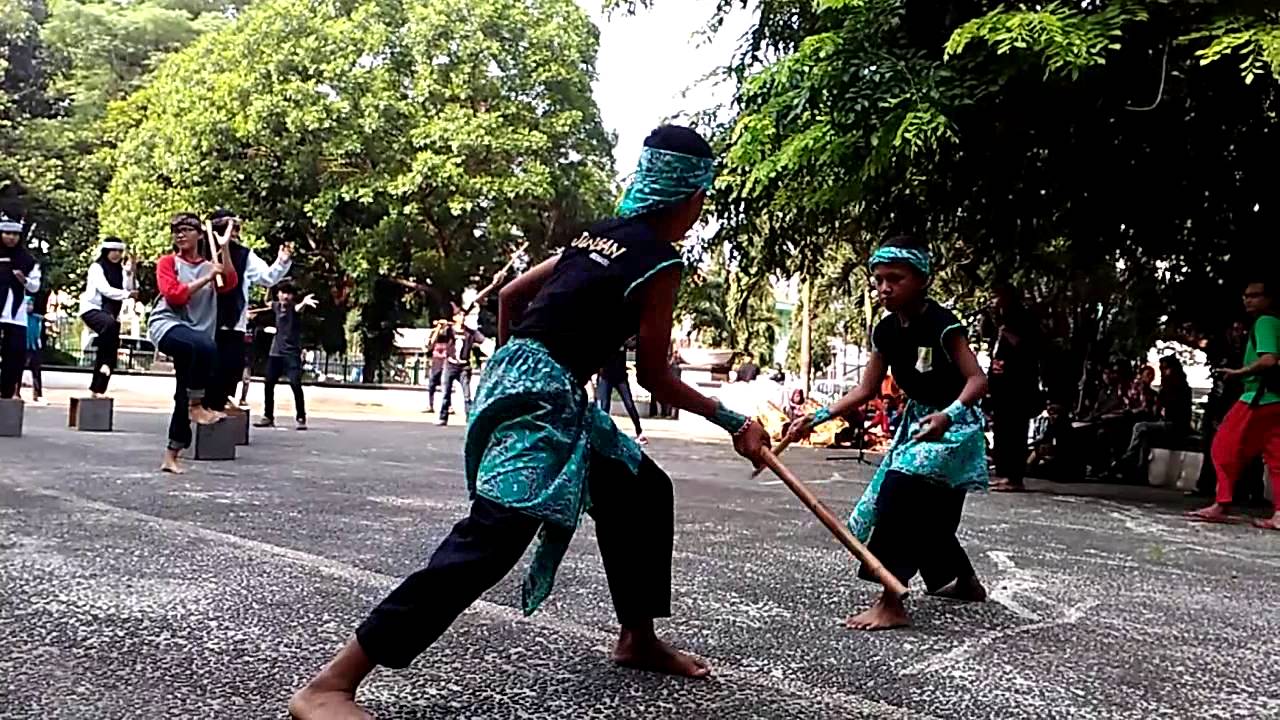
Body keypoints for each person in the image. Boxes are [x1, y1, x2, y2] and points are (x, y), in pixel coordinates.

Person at [288, 125, 771, 720]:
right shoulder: (660, 263)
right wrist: (732, 420)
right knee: (492, 539)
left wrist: (518, 364)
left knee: (641, 490)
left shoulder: (595, 236)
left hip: (527, 379)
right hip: (542, 396)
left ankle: (636, 637)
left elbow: (511, 297)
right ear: (691, 198)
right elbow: (653, 376)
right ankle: (331, 685)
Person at [784, 234, 989, 631]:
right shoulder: (886, 331)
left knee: (899, 490)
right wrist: (817, 417)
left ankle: (890, 600)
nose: (884, 288)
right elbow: (866, 389)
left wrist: (948, 415)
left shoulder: (945, 325)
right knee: (932, 514)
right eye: (878, 279)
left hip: (954, 426)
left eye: (895, 278)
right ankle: (964, 582)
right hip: (918, 425)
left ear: (922, 279)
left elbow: (977, 380)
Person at [148, 213, 239, 473]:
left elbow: (229, 283)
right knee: (204, 346)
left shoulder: (211, 265)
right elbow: (174, 296)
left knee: (181, 394)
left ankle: (171, 455)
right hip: (168, 326)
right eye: (176, 230)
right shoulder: (168, 262)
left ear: (200, 235)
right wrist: (207, 278)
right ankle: (198, 405)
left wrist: (223, 249)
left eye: (187, 229)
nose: (180, 234)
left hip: (198, 338)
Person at [1187, 278, 1280, 529]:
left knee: (1222, 446)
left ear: (1269, 298)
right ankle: (1279, 514)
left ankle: (1222, 502)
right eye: (1245, 296)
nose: (1248, 300)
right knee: (1276, 457)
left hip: (1257, 397)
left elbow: (1270, 360)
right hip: (1274, 400)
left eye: (1255, 295)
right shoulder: (1275, 323)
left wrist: (1239, 373)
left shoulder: (1264, 323)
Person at [206, 209, 292, 415]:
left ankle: (220, 403)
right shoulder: (200, 249)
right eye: (230, 227)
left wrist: (281, 262)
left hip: (233, 321)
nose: (234, 232)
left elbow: (267, 277)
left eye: (236, 228)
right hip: (203, 321)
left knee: (232, 367)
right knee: (204, 367)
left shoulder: (244, 255)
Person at [986, 284, 1040, 493]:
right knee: (1001, 431)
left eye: (995, 297)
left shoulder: (1021, 320)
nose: (992, 301)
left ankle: (1015, 477)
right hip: (1002, 385)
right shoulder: (1000, 321)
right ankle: (1005, 473)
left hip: (1018, 387)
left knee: (1014, 432)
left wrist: (1006, 333)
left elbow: (1027, 348)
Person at [1113, 356, 1192, 481]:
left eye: (1165, 369)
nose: (1163, 372)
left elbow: (1172, 410)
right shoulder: (1166, 387)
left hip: (1174, 424)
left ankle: (1126, 459)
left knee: (1140, 427)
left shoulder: (1179, 387)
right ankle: (1139, 472)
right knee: (1144, 436)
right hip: (1166, 422)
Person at [78, 237, 136, 397]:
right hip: (92, 309)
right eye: (113, 251)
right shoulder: (96, 268)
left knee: (110, 345)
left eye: (119, 251)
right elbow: (105, 289)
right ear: (106, 251)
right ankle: (105, 362)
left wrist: (130, 274)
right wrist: (127, 294)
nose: (117, 254)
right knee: (110, 326)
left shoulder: (121, 271)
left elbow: (128, 289)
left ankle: (98, 388)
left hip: (112, 314)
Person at [255, 282, 316, 430]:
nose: (285, 296)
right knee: (268, 384)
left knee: (295, 384)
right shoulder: (276, 306)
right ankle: (268, 416)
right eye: (282, 293)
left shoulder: (292, 308)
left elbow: (298, 308)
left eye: (288, 293)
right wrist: (269, 284)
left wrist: (304, 303)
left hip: (291, 353)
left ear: (292, 296)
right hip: (275, 352)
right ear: (278, 294)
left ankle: (301, 417)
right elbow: (267, 302)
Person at [436, 305, 485, 427]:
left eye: (464, 315)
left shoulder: (469, 332)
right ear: (454, 317)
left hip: (464, 367)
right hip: (450, 364)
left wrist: (475, 330)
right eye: (459, 315)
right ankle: (443, 417)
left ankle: (469, 418)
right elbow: (438, 337)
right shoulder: (449, 330)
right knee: (446, 393)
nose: (462, 317)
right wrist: (439, 327)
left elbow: (482, 339)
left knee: (467, 395)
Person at [597, 342, 646, 444]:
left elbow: (633, 344)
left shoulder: (624, 339)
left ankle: (639, 432)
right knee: (604, 406)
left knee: (629, 404)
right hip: (606, 376)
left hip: (620, 377)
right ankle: (603, 434)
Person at [423, 320, 449, 413]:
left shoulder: (450, 333)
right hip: (436, 360)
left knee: (446, 384)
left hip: (446, 360)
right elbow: (431, 343)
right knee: (432, 383)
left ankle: (448, 406)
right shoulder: (434, 332)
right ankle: (430, 404)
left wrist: (446, 326)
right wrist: (438, 328)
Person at [24, 296, 44, 404]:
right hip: (23, 347)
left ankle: (37, 394)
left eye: (31, 304)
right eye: (27, 304)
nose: (29, 307)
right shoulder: (21, 317)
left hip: (34, 347)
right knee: (16, 371)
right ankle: (14, 391)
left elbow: (38, 331)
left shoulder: (36, 319)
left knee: (36, 371)